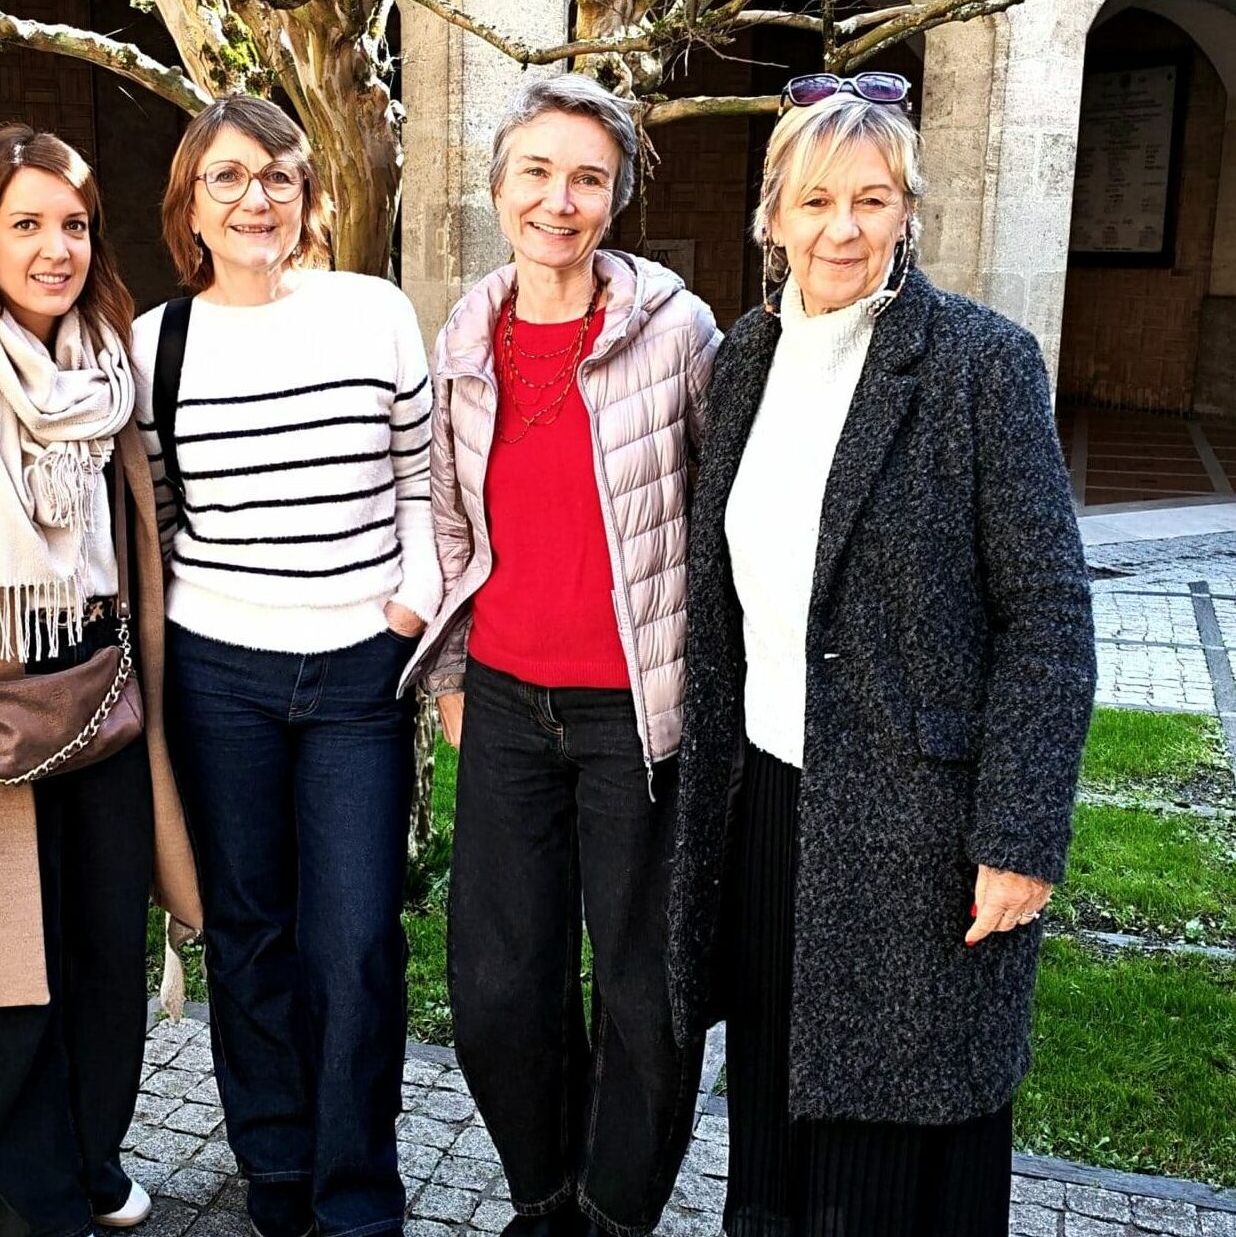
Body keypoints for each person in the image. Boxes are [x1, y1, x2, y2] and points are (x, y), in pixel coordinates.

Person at [667, 77, 1096, 1237]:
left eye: (871, 198)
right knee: (773, 1123)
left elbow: (1049, 613)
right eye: (815, 200)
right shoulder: (743, 359)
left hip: (918, 829)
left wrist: (1019, 834)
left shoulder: (977, 365)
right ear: (773, 217)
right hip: (766, 803)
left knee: (892, 1145)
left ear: (908, 209)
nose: (841, 229)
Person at [0, 125, 202, 1237]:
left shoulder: (110, 371)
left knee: (107, 959)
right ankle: (24, 1204)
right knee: (15, 979)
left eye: (73, 225)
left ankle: (94, 1163)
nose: (54, 248)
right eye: (26, 224)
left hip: (104, 696)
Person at [401, 71, 719, 1237]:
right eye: (536, 172)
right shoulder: (466, 329)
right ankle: (545, 1195)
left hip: (637, 714)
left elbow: (716, 517)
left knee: (644, 993)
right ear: (498, 187)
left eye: (586, 177)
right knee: (496, 989)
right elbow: (445, 513)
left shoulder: (676, 329)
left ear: (615, 198)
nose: (559, 199)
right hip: (503, 706)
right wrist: (446, 678)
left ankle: (616, 1210)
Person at [132, 93, 441, 1237]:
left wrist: (409, 605)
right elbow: (156, 515)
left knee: (356, 941)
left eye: (276, 176)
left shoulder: (372, 314)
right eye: (226, 178)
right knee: (248, 931)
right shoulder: (154, 345)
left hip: (359, 674)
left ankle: (358, 1191)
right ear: (190, 206)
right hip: (221, 679)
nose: (254, 197)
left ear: (308, 198)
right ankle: (276, 1167)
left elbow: (420, 476)